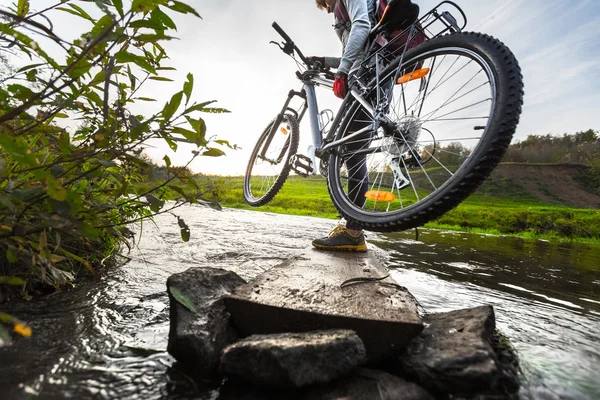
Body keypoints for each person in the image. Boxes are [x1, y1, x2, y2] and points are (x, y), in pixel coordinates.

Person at [310, 0, 377, 253]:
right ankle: (353, 229)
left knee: (352, 152)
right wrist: (326, 61)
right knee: (353, 151)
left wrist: (343, 71)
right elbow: (358, 46)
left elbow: (362, 24)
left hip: (365, 79)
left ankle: (353, 232)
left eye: (324, 3)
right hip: (375, 75)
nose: (328, 10)